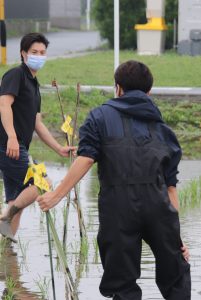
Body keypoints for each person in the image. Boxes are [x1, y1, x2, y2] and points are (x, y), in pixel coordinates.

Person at [36, 60, 191, 299]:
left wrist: (56, 196)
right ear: (149, 92)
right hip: (159, 207)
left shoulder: (99, 117)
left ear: (117, 88)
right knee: (176, 277)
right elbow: (171, 187)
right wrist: (176, 236)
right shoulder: (163, 129)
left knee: (123, 283)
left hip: (119, 208)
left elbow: (86, 159)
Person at [0, 33, 75, 243]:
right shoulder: (15, 75)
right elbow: (3, 104)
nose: (38, 56)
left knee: (18, 200)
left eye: (42, 53)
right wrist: (12, 138)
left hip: (19, 146)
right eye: (34, 52)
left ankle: (7, 259)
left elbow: (37, 123)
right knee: (44, 183)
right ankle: (5, 216)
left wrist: (58, 149)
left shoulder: (34, 84)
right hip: (8, 145)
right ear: (23, 53)